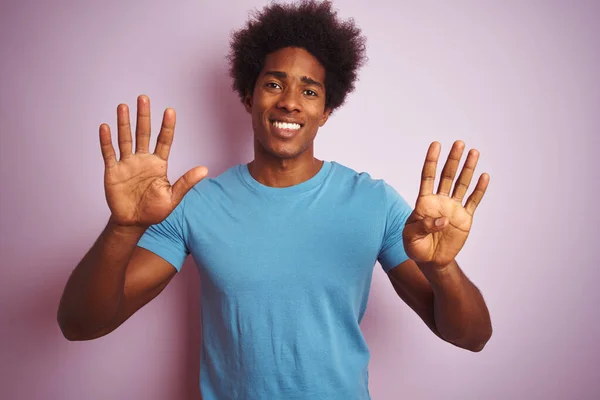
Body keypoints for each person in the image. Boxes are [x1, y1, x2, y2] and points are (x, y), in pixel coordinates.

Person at [57, 1, 492, 398]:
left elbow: (471, 336)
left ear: (326, 110)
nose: (289, 103)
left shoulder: (374, 202)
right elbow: (80, 324)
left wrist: (442, 267)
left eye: (309, 90)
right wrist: (124, 228)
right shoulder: (193, 204)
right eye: (274, 84)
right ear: (248, 97)